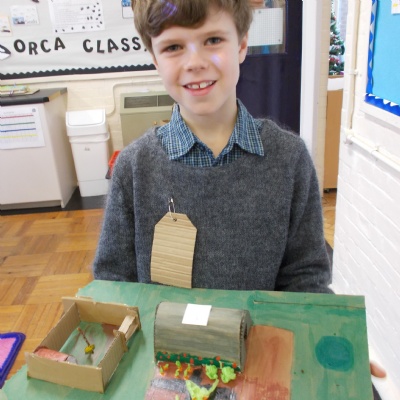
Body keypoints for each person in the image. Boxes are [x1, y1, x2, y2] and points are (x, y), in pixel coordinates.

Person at [93, 0, 331, 293]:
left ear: (241, 45)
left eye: (213, 40)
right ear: (155, 59)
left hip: (262, 324)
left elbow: (305, 278)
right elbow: (113, 281)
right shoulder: (133, 168)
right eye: (173, 47)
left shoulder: (289, 159)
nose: (195, 63)